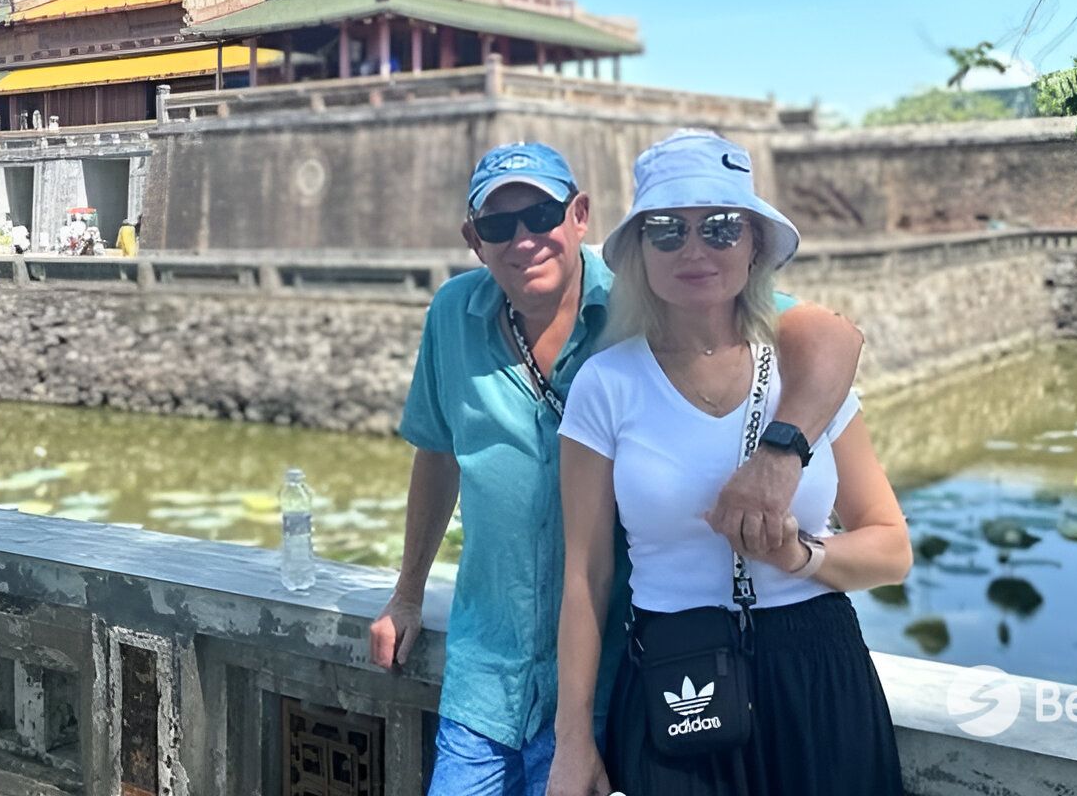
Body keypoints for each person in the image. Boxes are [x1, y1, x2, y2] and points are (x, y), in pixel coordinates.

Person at [370, 141, 866, 796]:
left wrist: (780, 452)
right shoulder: (451, 319)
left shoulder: (652, 295)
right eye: (498, 225)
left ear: (579, 214)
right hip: (486, 666)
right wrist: (407, 595)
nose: (524, 240)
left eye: (542, 216)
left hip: (610, 677)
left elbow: (832, 335)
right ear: (473, 239)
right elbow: (436, 457)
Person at [549, 132, 910, 796]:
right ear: (637, 252)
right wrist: (572, 742)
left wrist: (804, 558)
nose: (694, 249)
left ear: (753, 246)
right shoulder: (607, 384)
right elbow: (586, 577)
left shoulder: (805, 380)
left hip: (817, 670)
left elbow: (892, 549)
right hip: (676, 671)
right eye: (666, 230)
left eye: (719, 228)